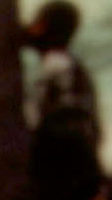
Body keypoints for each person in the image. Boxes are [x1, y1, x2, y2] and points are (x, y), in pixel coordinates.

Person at [26, 3, 101, 160]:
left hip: (59, 161)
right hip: (80, 157)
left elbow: (34, 119)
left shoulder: (54, 67)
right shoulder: (74, 67)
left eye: (39, 23)